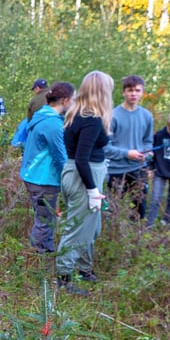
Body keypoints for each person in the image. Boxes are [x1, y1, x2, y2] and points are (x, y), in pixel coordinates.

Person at [56, 71, 114, 293]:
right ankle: (63, 279)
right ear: (102, 91)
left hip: (77, 174)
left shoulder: (77, 113)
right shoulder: (91, 119)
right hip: (84, 176)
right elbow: (82, 158)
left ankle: (83, 269)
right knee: (77, 229)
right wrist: (92, 189)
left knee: (92, 227)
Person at [20, 82, 75, 253]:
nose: (74, 104)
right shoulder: (52, 124)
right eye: (73, 100)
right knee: (45, 221)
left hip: (34, 176)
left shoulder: (42, 116)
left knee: (44, 217)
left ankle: (43, 254)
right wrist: (71, 180)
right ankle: (40, 259)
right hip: (43, 179)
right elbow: (60, 157)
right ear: (65, 100)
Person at [105, 75, 154, 221]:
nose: (134, 94)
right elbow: (106, 147)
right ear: (123, 92)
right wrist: (127, 154)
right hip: (116, 169)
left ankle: (135, 238)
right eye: (130, 90)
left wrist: (148, 153)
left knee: (140, 207)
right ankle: (111, 237)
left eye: (137, 90)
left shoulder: (147, 116)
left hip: (138, 168)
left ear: (142, 92)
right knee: (112, 208)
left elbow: (148, 141)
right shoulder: (112, 115)